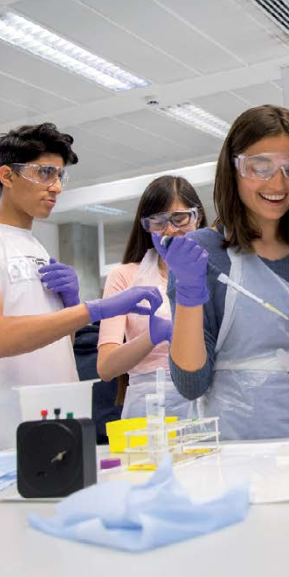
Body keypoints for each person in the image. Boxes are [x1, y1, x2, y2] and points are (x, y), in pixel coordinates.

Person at [0, 123, 162, 461]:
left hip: (52, 426)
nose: (56, 186)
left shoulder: (37, 249)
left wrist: (71, 305)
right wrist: (93, 310)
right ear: (7, 176)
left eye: (60, 176)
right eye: (44, 173)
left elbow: (55, 346)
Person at [160, 105, 289, 440]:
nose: (278, 183)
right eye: (260, 167)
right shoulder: (202, 254)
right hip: (238, 448)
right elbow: (191, 385)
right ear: (233, 169)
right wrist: (189, 296)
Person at [97, 176, 208, 419]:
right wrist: (152, 336)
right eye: (158, 221)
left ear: (197, 217)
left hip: (207, 399)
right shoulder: (124, 277)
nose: (170, 230)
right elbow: (106, 368)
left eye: (180, 218)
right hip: (147, 409)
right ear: (145, 226)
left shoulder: (216, 272)